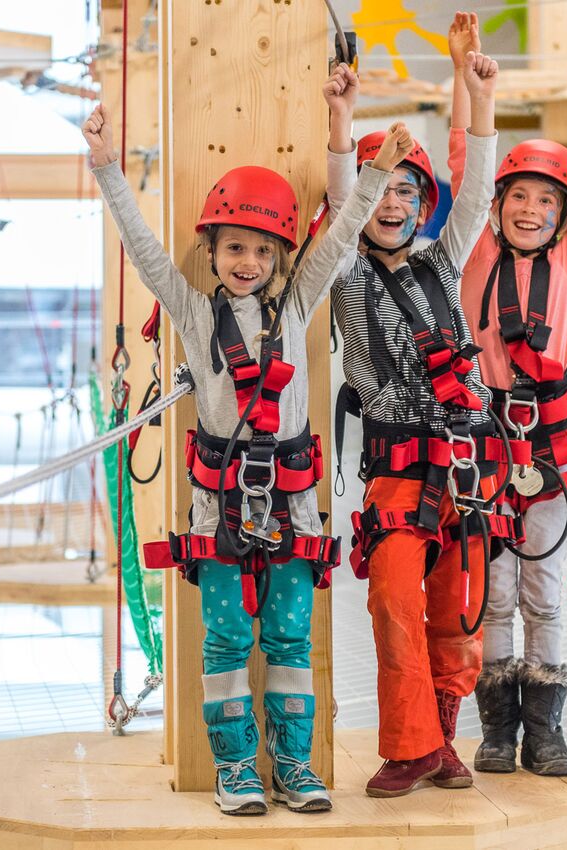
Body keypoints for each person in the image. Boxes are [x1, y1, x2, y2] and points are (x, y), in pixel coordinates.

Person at [83, 95, 413, 814]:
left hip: (294, 505)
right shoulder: (194, 310)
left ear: (280, 259)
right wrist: (107, 167)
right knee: (228, 636)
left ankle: (293, 765)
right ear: (211, 251)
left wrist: (375, 166)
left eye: (264, 251)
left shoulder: (295, 308)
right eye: (235, 247)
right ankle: (236, 769)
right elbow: (142, 246)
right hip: (221, 508)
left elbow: (341, 235)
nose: (249, 261)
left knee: (292, 636)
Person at [447, 11, 567, 776]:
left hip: (549, 446)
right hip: (485, 440)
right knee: (492, 591)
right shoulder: (478, 245)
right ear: (498, 205)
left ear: (561, 215)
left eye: (545, 203)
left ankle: (545, 730)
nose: (528, 209)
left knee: (543, 588)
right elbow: (466, 162)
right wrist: (466, 76)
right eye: (517, 197)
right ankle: (496, 729)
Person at [325, 48, 502, 797]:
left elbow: (478, 196)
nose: (391, 203)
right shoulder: (344, 269)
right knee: (395, 600)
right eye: (380, 189)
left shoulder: (443, 257)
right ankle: (407, 746)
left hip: (466, 466)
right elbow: (342, 209)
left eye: (404, 188)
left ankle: (443, 739)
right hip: (398, 471)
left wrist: (478, 95)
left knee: (458, 614)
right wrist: (343, 121)